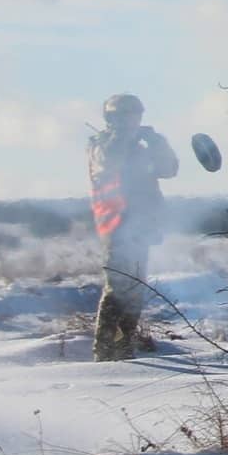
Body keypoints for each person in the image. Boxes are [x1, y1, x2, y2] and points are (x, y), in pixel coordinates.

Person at [87, 93, 179, 362]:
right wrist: (126, 138)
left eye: (135, 116)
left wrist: (157, 143)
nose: (131, 122)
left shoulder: (139, 147)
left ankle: (123, 345)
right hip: (116, 224)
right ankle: (104, 350)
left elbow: (168, 169)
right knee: (117, 287)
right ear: (112, 118)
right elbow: (109, 162)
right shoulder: (101, 145)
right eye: (125, 116)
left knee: (135, 287)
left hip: (140, 225)